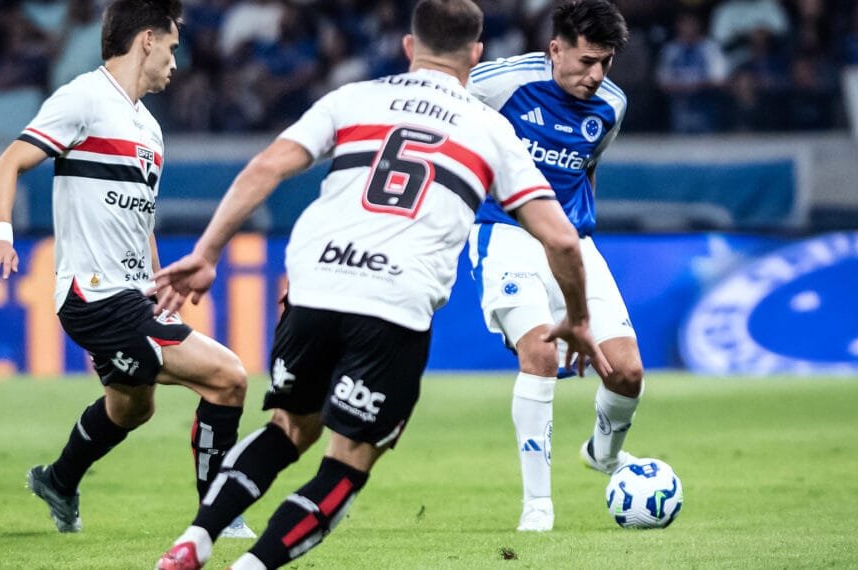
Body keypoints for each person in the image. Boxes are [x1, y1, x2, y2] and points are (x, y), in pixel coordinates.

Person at [150, 1, 611, 568]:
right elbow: (563, 242)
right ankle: (254, 565)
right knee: (349, 459)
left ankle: (195, 538)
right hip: (393, 303)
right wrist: (579, 318)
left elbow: (267, 165)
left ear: (409, 48)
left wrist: (207, 251)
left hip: (314, 287)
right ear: (475, 54)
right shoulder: (490, 128)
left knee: (288, 428)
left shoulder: (354, 98)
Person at [0, 0, 254, 539]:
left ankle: (58, 480)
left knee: (131, 408)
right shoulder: (83, 98)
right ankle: (218, 516)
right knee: (228, 378)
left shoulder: (149, 129)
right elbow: (8, 162)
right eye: (172, 47)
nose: (176, 61)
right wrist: (0, 235)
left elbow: (139, 215)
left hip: (129, 294)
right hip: (93, 294)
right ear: (146, 39)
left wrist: (156, 285)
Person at [465, 0, 644, 532]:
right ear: (555, 49)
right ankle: (537, 506)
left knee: (628, 372)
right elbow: (434, 104)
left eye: (605, 63)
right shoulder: (498, 84)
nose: (596, 75)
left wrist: (577, 236)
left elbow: (587, 169)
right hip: (506, 232)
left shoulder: (612, 105)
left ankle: (604, 455)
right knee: (540, 352)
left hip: (573, 244)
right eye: (586, 60)